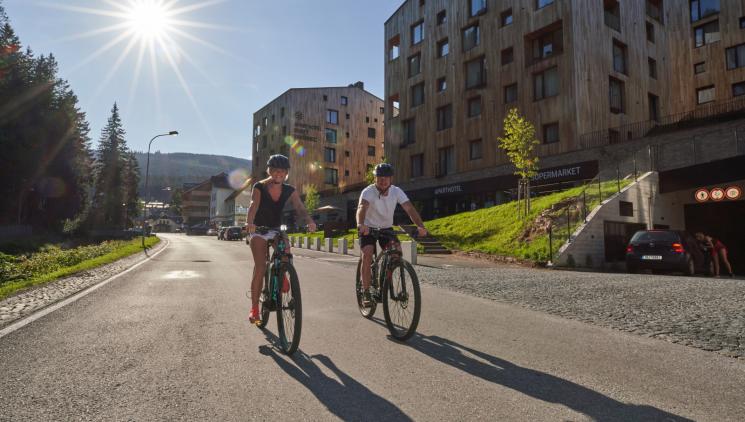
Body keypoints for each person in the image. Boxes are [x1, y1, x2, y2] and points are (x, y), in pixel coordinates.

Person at [245, 154, 316, 324]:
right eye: (276, 171)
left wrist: (309, 221)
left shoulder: (289, 190)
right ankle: (254, 309)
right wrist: (249, 223)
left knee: (285, 249)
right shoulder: (259, 187)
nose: (279, 174)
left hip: (276, 229)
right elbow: (253, 205)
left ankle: (282, 271)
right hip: (259, 230)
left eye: (282, 172)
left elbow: (300, 207)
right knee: (261, 267)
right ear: (269, 171)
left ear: (286, 173)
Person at [356, 163, 427, 306]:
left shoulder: (396, 191)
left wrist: (420, 226)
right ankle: (366, 292)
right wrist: (361, 224)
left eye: (386, 178)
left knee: (396, 254)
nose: (383, 180)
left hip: (386, 228)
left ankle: (385, 281)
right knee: (368, 254)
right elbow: (362, 208)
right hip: (368, 228)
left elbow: (410, 209)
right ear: (375, 178)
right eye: (379, 177)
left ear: (391, 179)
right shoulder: (368, 191)